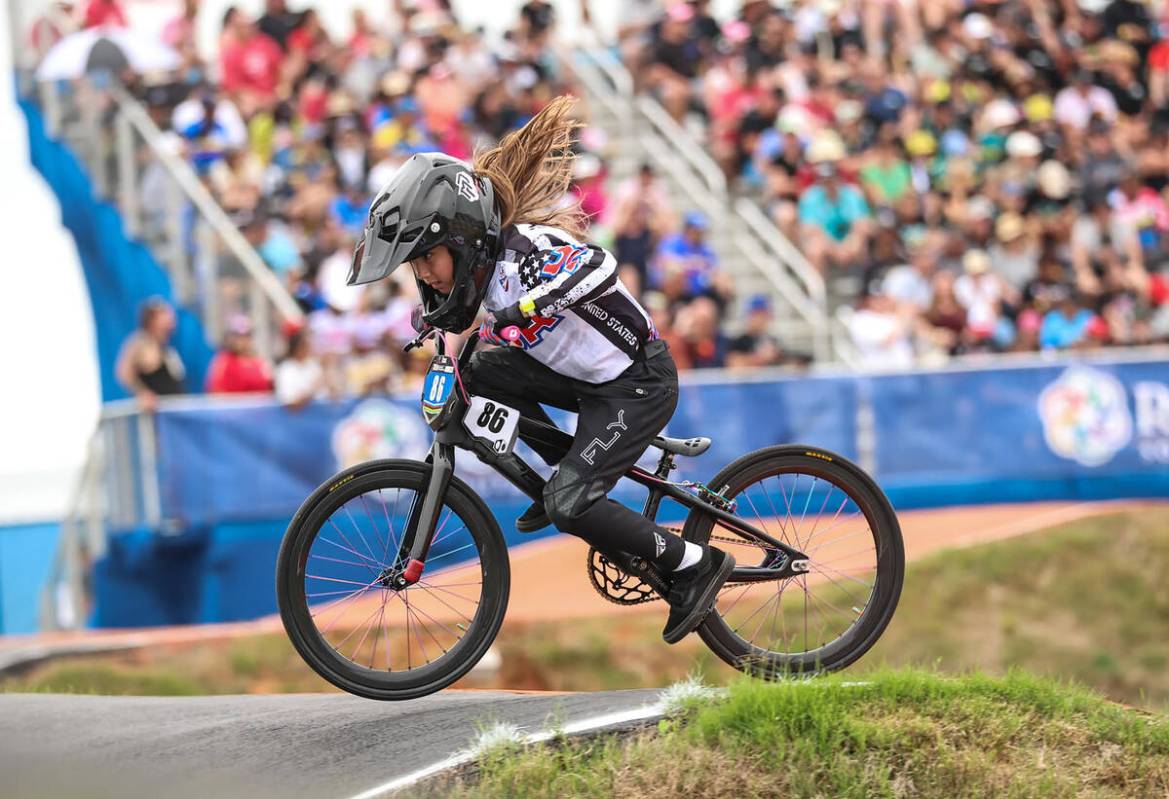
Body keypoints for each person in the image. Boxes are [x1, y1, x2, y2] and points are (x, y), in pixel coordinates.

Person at [347, 97, 734, 645]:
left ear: (460, 240)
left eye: (426, 258)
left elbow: (600, 266)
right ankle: (561, 474)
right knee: (477, 368)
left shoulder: (527, 251)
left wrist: (525, 310)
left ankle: (694, 563)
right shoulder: (475, 276)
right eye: (415, 266)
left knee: (569, 505)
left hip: (636, 383)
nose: (424, 274)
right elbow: (460, 324)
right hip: (583, 381)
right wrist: (428, 323)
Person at [115, 297, 187, 411]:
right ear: (152, 319)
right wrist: (142, 393)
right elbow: (123, 373)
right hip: (157, 417)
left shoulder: (167, 347)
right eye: (164, 314)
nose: (171, 318)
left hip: (175, 415)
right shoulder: (140, 343)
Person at [205, 316, 274, 393]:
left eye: (246, 336)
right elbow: (215, 390)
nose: (242, 341)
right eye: (238, 336)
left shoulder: (260, 363)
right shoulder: (223, 362)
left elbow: (269, 389)